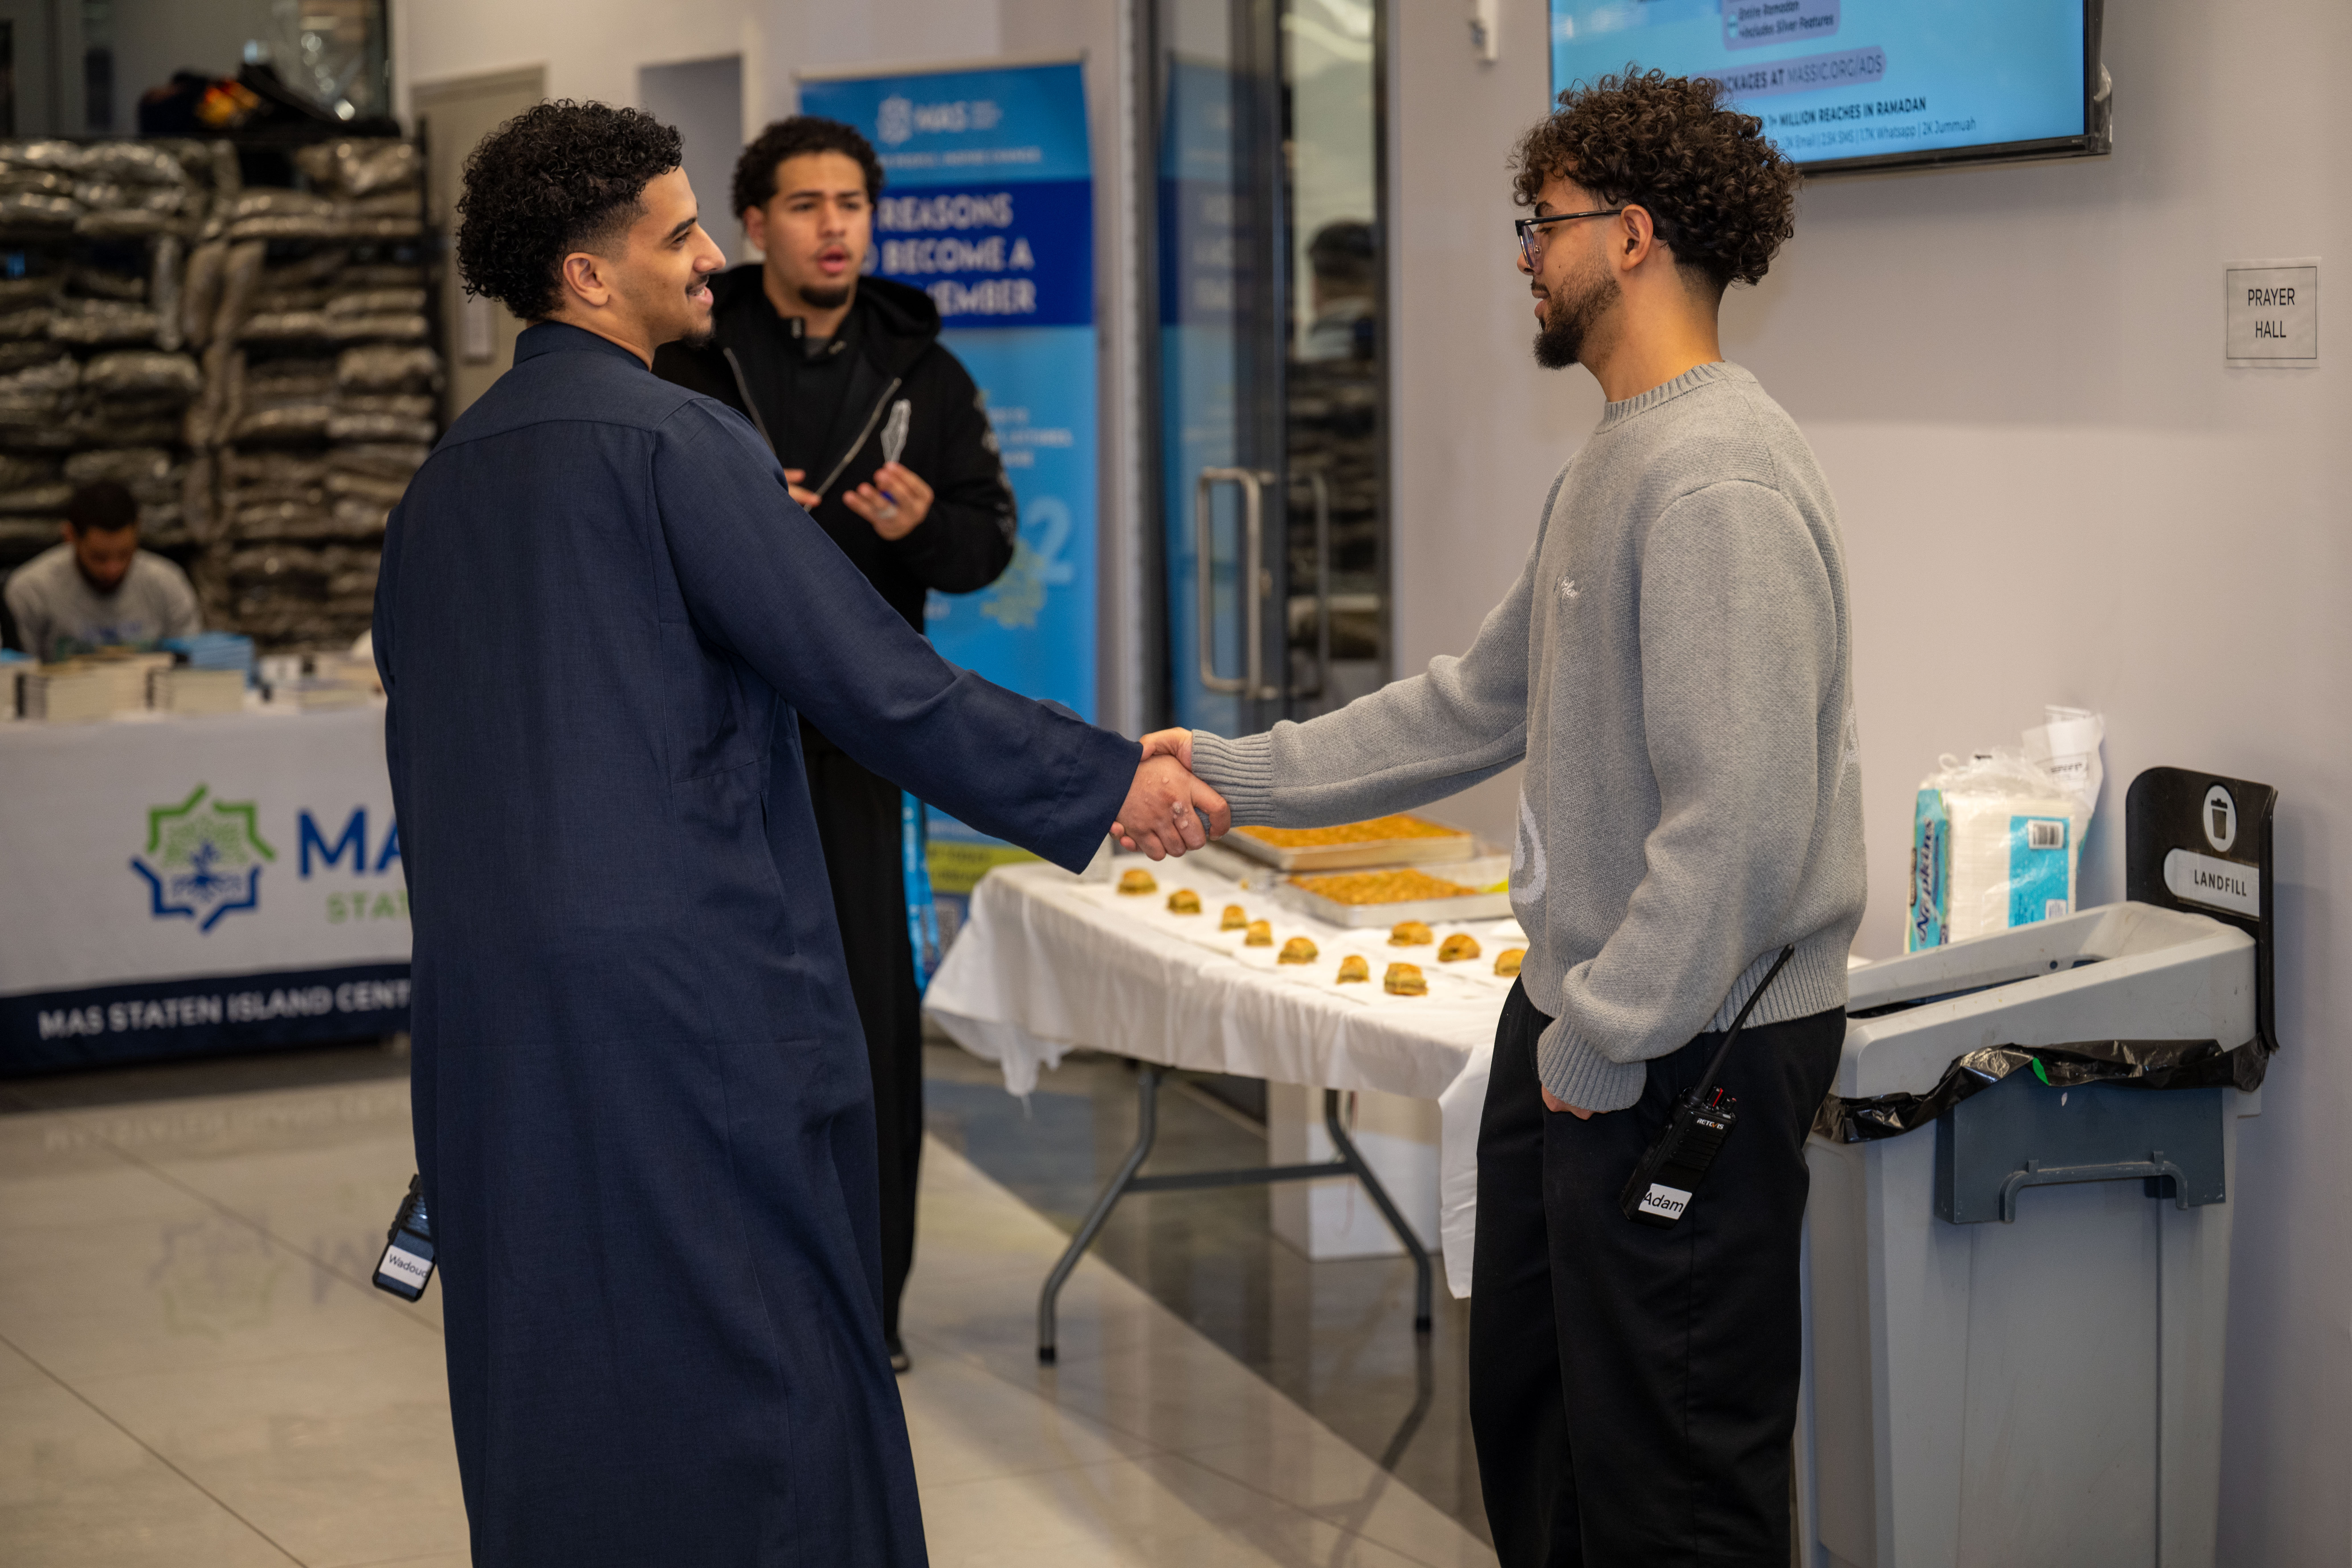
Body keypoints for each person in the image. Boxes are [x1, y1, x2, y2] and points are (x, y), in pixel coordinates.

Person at [377, 100, 1226, 1568]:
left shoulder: (443, 481)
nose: (712, 256)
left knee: (551, 1367)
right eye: (679, 230)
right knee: (762, 1372)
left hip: (493, 1023)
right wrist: (1102, 779)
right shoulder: (674, 441)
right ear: (587, 276)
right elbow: (875, 678)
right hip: (688, 1010)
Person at [1161, 71, 1861, 1565]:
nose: (1521, 254)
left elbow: (1736, 828)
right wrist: (1235, 775)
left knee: (1673, 1489)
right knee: (1546, 1442)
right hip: (1592, 1026)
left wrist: (1606, 1037)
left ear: (1634, 237)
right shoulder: (1612, 459)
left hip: (1686, 1047)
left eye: (1538, 224)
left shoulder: (1712, 475)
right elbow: (1471, 703)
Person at [654, 117, 1016, 1374]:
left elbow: (984, 551)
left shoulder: (925, 371)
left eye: (852, 202)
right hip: (703, 735)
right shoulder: (686, 354)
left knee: (867, 1020)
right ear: (752, 223)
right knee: (710, 1013)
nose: (833, 226)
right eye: (805, 204)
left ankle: (869, 1308)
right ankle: (726, 1302)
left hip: (857, 741)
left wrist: (919, 528)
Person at [3, 480, 201, 661]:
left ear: (138, 531)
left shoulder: (168, 584)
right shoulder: (31, 590)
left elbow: (190, 671)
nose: (113, 570)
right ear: (70, 536)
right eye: (99, 557)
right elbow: (19, 679)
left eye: (125, 554)